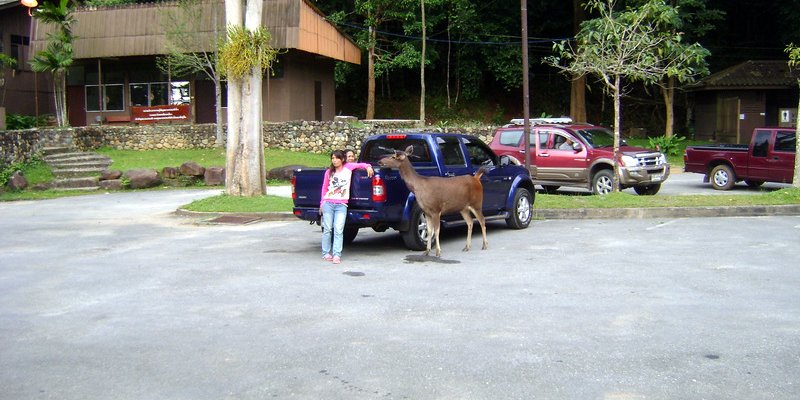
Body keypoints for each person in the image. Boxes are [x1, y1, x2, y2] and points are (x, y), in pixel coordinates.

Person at [320, 149, 374, 264]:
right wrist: (322, 203)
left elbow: (362, 164)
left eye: (336, 158)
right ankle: (325, 253)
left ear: (342, 159)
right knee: (328, 229)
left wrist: (368, 167)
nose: (334, 161)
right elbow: (324, 188)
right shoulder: (329, 172)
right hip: (328, 203)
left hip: (341, 204)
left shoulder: (348, 167)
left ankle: (337, 255)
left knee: (339, 230)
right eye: (333, 158)